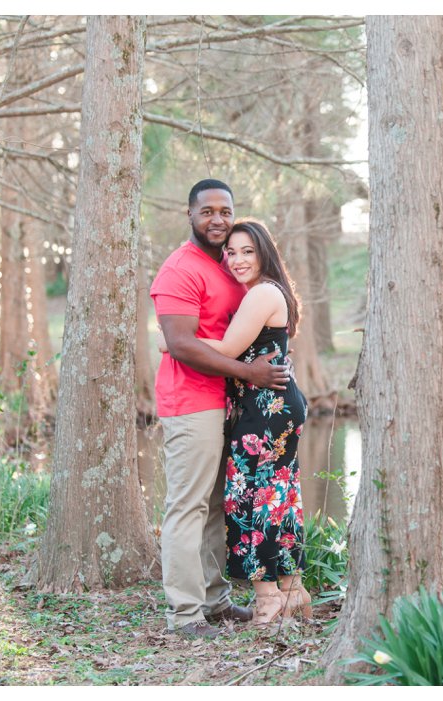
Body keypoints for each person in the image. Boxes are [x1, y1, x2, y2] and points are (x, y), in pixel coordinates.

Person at [151, 179, 290, 639]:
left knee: (214, 505)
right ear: (189, 214)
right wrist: (249, 373)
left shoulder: (229, 264)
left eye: (225, 211)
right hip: (191, 401)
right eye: (207, 211)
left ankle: (215, 601)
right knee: (188, 505)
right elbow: (181, 344)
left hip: (228, 402)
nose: (217, 219)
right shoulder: (179, 270)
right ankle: (186, 615)